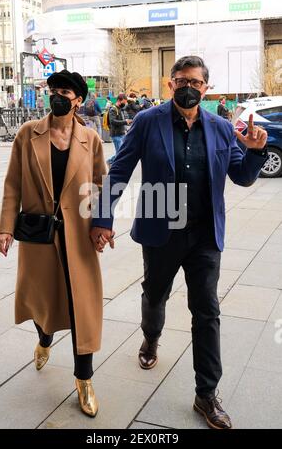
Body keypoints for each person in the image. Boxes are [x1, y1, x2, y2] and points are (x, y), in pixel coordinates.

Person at [90, 56, 268, 429]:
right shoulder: (147, 121)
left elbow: (243, 177)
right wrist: (103, 219)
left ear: (206, 88)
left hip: (204, 235)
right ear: (170, 84)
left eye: (196, 83)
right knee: (155, 295)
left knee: (207, 311)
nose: (189, 87)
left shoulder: (220, 127)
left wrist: (253, 152)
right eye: (181, 81)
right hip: (161, 231)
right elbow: (119, 168)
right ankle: (151, 337)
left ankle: (206, 394)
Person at [0, 69, 107, 418]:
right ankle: (44, 337)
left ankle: (84, 379)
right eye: (52, 90)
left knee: (81, 307)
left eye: (64, 92)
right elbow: (13, 181)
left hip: (78, 234)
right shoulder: (29, 134)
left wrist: (102, 226)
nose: (56, 96)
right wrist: (5, 227)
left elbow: (102, 186)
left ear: (78, 100)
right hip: (38, 234)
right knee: (43, 300)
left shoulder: (91, 139)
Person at [106, 93, 132, 168]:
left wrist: (126, 123)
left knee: (122, 152)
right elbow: (113, 121)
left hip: (122, 133)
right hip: (116, 134)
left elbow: (121, 120)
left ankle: (112, 162)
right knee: (120, 153)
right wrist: (125, 121)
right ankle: (110, 162)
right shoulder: (113, 109)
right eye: (124, 102)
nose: (125, 103)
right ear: (119, 101)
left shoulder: (120, 109)